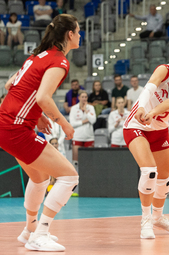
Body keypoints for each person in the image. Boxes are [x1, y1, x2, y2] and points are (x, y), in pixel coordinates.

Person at [0, 14, 80, 251]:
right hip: (16, 128)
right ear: (70, 35)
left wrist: (40, 116)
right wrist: (63, 124)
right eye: (78, 31)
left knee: (40, 178)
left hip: (7, 124)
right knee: (69, 177)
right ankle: (40, 234)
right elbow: (43, 97)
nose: (80, 35)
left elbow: (10, 85)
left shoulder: (38, 55)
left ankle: (29, 231)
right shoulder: (59, 61)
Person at [123, 46, 169, 239]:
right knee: (149, 171)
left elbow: (168, 103)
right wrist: (140, 108)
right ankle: (146, 220)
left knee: (164, 179)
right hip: (136, 124)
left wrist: (152, 113)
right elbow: (149, 88)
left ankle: (158, 217)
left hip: (159, 129)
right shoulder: (164, 70)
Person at [70, 90, 96, 168]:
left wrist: (86, 112)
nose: (84, 99)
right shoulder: (74, 108)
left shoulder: (91, 107)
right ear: (79, 98)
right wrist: (84, 121)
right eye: (82, 97)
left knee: (89, 160)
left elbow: (93, 120)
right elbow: (72, 123)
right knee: (76, 161)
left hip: (89, 137)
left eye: (85, 97)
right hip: (77, 137)